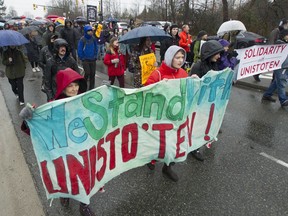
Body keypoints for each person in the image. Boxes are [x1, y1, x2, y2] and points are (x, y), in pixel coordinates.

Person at [19, 68, 96, 216]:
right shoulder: (53, 105)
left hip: (82, 147)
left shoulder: (84, 101)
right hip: (63, 150)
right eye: (70, 86)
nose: (74, 89)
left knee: (84, 176)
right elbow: (39, 129)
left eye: (76, 85)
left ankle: (84, 204)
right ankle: (65, 194)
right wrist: (29, 118)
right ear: (63, 87)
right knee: (66, 174)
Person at [145, 45, 188, 182]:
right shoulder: (157, 74)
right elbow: (145, 93)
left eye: (182, 57)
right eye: (177, 57)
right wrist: (159, 88)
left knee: (174, 143)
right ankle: (151, 159)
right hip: (159, 117)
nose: (180, 60)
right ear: (170, 58)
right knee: (157, 141)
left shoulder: (183, 73)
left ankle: (168, 166)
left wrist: (193, 81)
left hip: (176, 116)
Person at [189, 40, 224, 161]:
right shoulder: (198, 66)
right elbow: (192, 86)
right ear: (210, 53)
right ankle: (193, 148)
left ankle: (197, 144)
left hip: (208, 103)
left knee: (204, 126)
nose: (219, 56)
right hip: (198, 103)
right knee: (197, 126)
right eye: (217, 54)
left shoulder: (214, 65)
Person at [262, 29, 288, 107]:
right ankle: (283, 100)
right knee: (281, 82)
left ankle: (267, 94)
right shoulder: (280, 43)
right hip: (281, 66)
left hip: (285, 66)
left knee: (277, 82)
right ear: (284, 36)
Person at [77, 25, 98, 90]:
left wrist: (95, 55)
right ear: (86, 31)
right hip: (85, 59)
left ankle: (91, 88)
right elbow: (79, 49)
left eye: (91, 30)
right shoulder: (82, 39)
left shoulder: (93, 38)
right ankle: (84, 85)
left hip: (93, 59)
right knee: (87, 72)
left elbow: (96, 48)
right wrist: (82, 57)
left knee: (92, 74)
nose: (90, 32)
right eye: (89, 31)